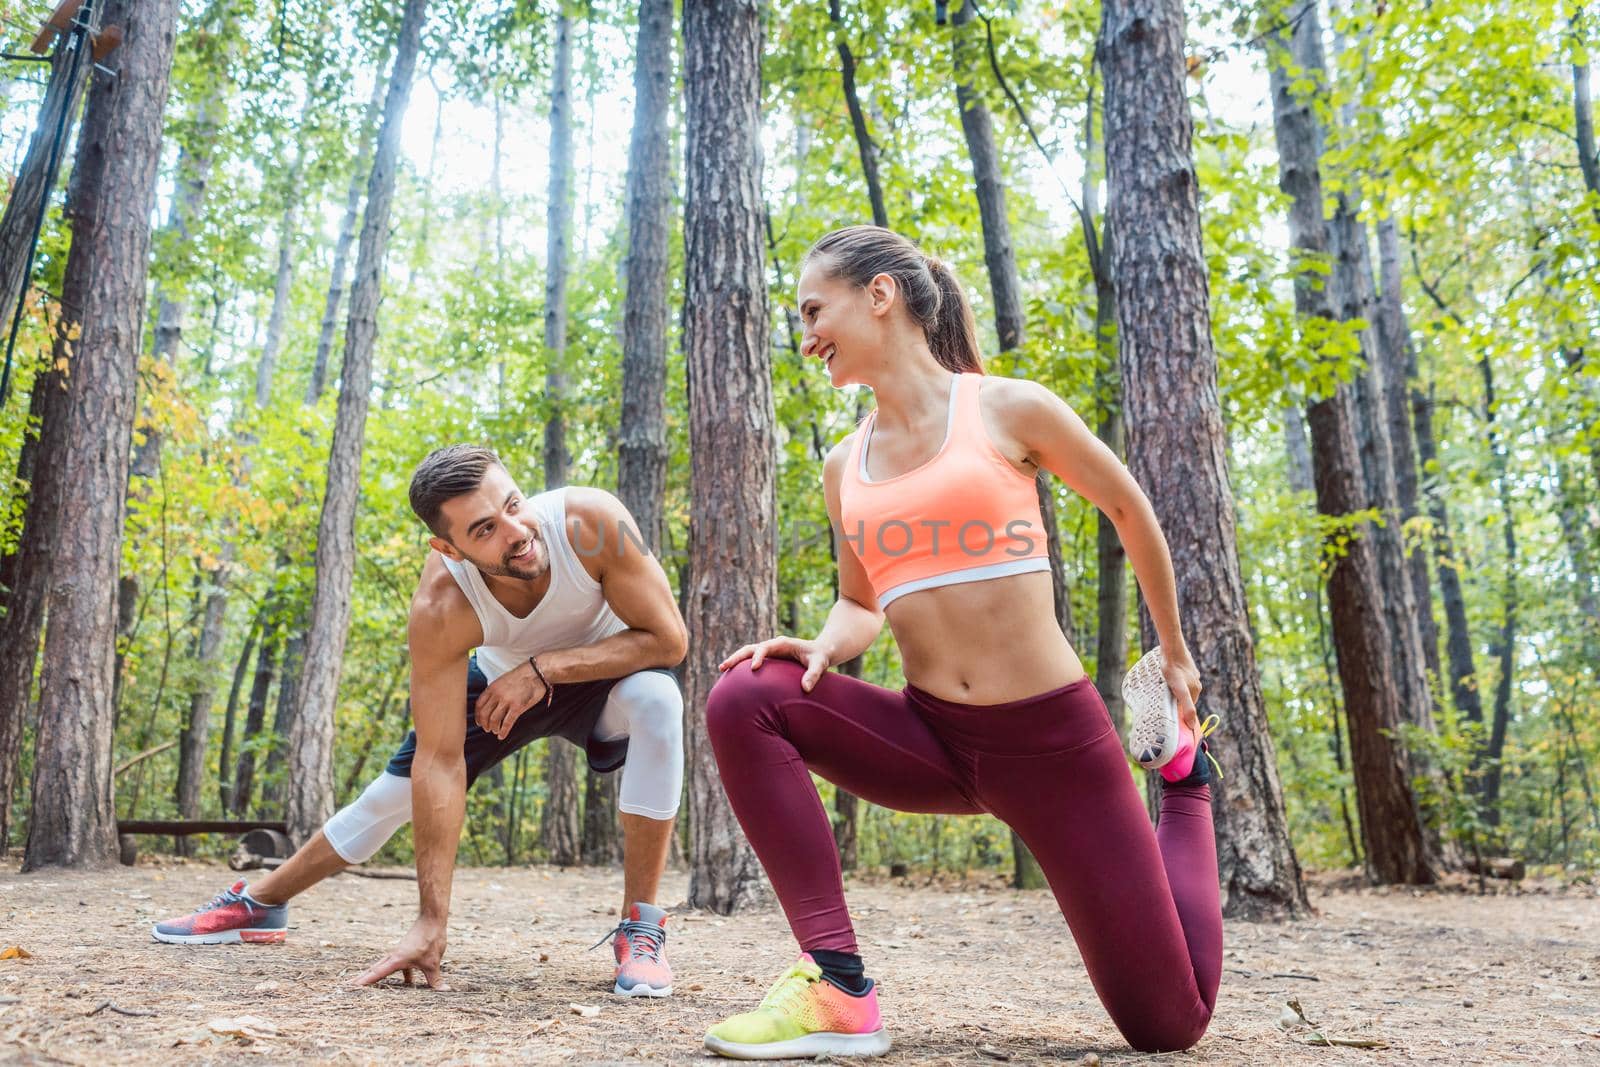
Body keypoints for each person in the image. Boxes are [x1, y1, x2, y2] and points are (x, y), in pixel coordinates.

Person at [700, 226, 1222, 1059]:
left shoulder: (1006, 408)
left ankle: (1183, 778)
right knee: (746, 694)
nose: (803, 336)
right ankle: (836, 983)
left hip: (1055, 746)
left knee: (1168, 1027)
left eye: (812, 309)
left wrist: (1175, 652)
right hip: (934, 736)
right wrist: (823, 646)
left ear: (880, 294)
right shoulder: (845, 463)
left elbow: (1129, 509)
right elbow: (858, 599)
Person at [152, 445, 688, 999]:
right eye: (484, 530)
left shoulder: (593, 523)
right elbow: (439, 761)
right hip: (501, 687)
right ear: (448, 548)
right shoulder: (441, 605)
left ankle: (642, 927)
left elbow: (668, 640)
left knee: (658, 701)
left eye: (513, 504)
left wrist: (544, 668)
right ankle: (260, 904)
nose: (516, 531)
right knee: (390, 797)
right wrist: (431, 920)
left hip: (608, 673)